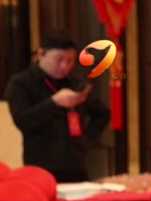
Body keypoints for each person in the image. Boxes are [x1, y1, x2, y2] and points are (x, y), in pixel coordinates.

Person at [4, 30, 109, 182]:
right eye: (59, 59)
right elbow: (23, 121)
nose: (64, 66)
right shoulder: (21, 83)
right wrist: (54, 103)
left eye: (70, 61)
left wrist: (86, 140)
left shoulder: (74, 83)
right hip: (40, 165)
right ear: (41, 54)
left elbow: (102, 113)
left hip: (76, 165)